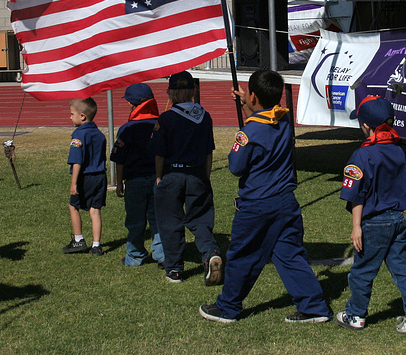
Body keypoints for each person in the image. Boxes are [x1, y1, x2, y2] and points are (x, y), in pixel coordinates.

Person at [199, 70, 332, 324]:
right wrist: (248, 105)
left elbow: (236, 167)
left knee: (241, 254)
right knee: (290, 255)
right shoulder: (283, 121)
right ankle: (313, 306)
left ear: (253, 96)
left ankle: (227, 307)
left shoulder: (248, 133)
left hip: (257, 205)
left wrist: (247, 116)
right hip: (285, 201)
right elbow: (265, 118)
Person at [335, 96, 406, 334]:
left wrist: (356, 226)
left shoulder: (362, 155)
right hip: (398, 219)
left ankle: (356, 314)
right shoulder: (398, 151)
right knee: (402, 268)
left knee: (362, 271)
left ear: (366, 126)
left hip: (373, 223)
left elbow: (356, 195)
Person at [150, 71, 222, 285]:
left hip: (172, 174)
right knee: (200, 219)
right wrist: (205, 176)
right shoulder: (205, 117)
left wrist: (158, 177)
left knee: (170, 221)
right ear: (194, 91)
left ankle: (174, 269)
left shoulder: (166, 118)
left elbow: (159, 153)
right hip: (197, 173)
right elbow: (209, 151)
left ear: (170, 93)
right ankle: (210, 253)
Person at [111, 83, 164, 267]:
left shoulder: (127, 129)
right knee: (157, 219)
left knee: (135, 221)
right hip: (158, 179)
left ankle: (134, 256)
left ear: (134, 105)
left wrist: (119, 183)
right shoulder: (160, 125)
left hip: (134, 181)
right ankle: (162, 254)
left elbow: (119, 159)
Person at [62, 97, 107, 257]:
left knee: (73, 206)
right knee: (95, 210)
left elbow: (77, 161)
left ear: (82, 116)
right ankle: (97, 245)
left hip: (85, 177)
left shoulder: (78, 135)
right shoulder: (100, 134)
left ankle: (78, 239)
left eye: (72, 114)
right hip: (100, 176)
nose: (70, 117)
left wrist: (74, 183)